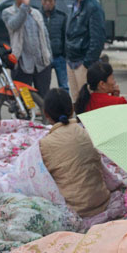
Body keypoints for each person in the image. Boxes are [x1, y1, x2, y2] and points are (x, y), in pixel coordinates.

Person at [39, 88, 111, 218]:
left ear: (46, 114)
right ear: (72, 109)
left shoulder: (45, 144)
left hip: (75, 212)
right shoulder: (87, 132)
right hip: (102, 201)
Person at [2, 0, 53, 98]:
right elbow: (14, 25)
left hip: (41, 64)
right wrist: (24, 7)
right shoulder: (8, 13)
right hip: (22, 66)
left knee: (44, 97)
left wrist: (49, 56)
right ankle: (28, 116)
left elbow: (45, 35)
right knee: (26, 99)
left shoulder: (36, 13)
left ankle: (44, 115)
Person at [65, 0, 107, 102]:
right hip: (71, 61)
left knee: (87, 103)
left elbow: (98, 39)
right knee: (76, 102)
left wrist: (86, 64)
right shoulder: (75, 3)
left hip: (82, 64)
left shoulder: (93, 7)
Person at [40, 0, 68, 91]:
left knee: (64, 86)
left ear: (54, 2)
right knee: (43, 88)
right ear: (41, 1)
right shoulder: (36, 16)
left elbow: (65, 37)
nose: (47, 3)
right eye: (45, 0)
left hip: (59, 57)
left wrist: (64, 55)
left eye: (50, 1)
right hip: (43, 59)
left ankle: (65, 106)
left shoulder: (62, 16)